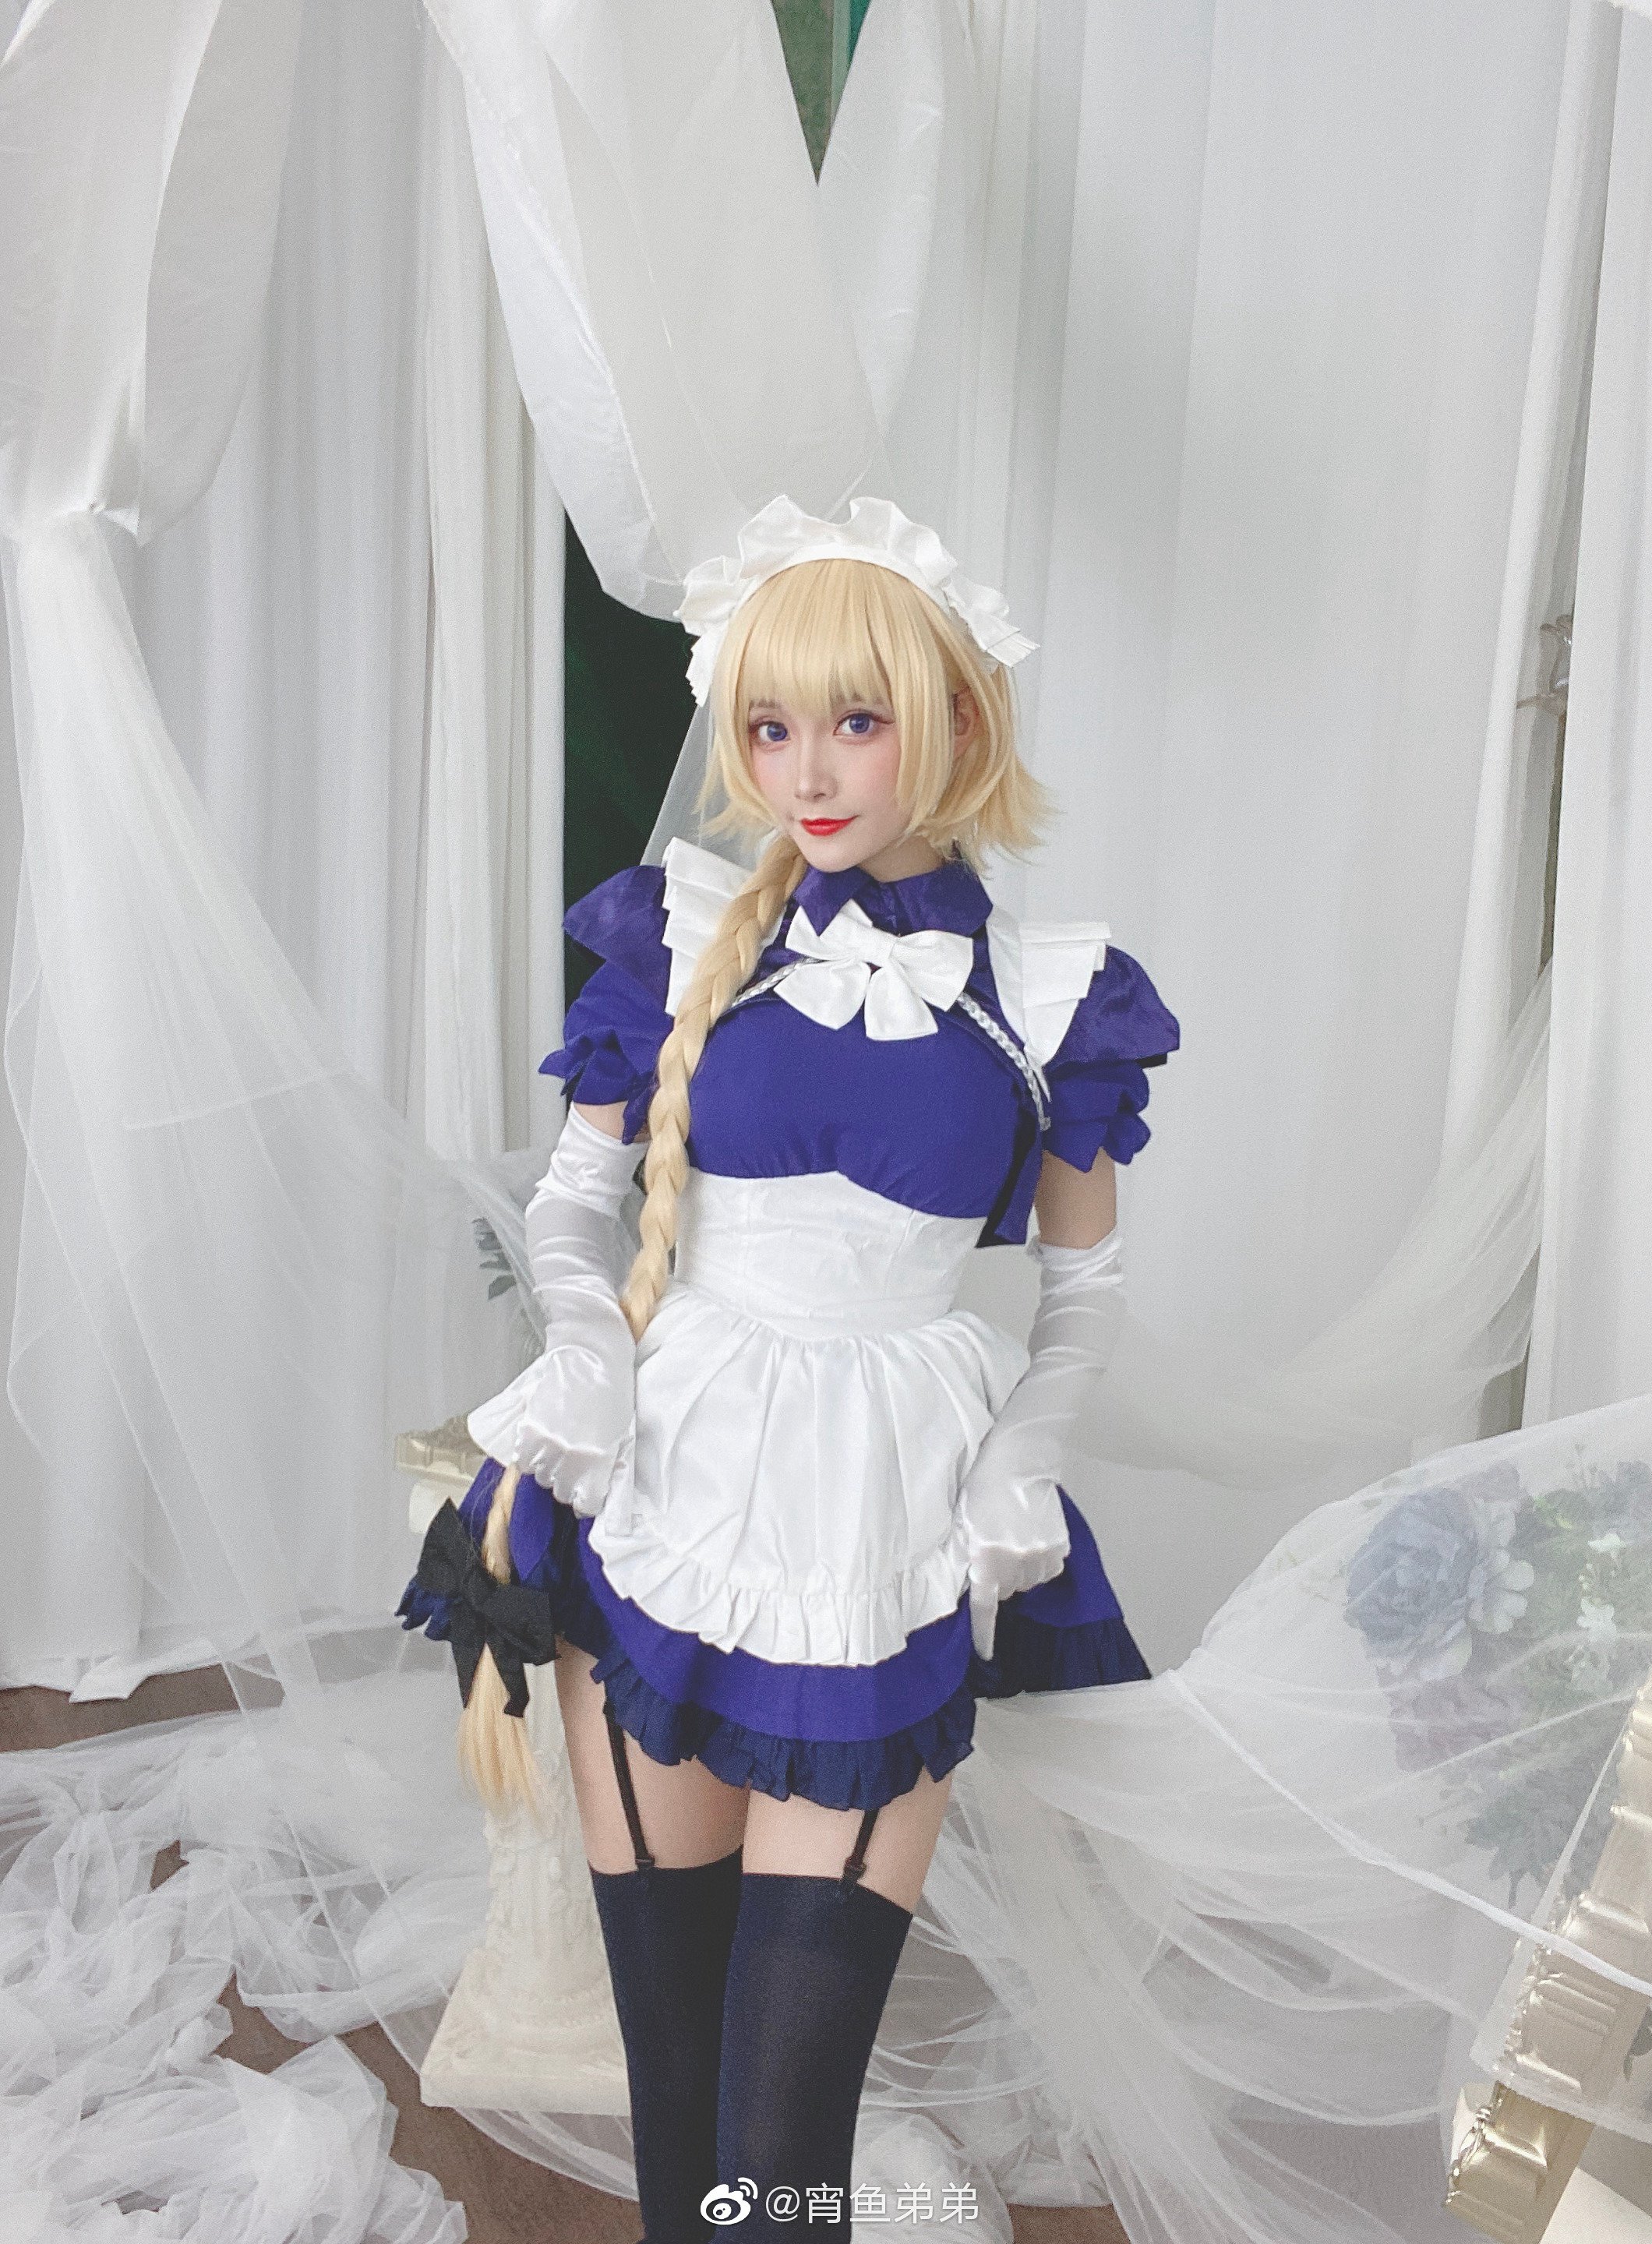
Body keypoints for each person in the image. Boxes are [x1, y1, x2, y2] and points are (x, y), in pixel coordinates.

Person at [400, 496, 1178, 2242]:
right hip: (667, 1490)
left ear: (956, 721)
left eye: (855, 721)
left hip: (890, 1524)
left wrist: (1025, 1453)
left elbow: (1086, 1286)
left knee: (782, 2144)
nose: (805, 773)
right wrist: (584, 1354)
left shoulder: (1057, 996)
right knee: (681, 2103)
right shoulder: (681, 937)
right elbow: (577, 1200)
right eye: (767, 728)